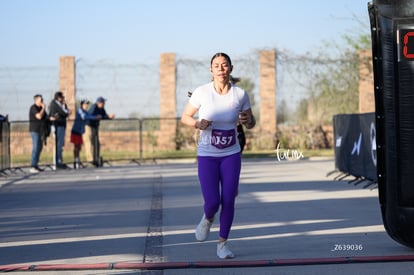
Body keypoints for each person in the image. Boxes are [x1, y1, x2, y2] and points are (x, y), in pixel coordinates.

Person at [181, 53, 256, 259]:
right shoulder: (202, 92)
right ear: (211, 70)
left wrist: (247, 120)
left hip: (231, 154)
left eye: (224, 65)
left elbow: (251, 122)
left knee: (229, 199)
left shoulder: (240, 95)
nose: (221, 69)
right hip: (207, 155)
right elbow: (185, 117)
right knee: (213, 201)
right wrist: (198, 123)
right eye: (216, 66)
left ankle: (222, 244)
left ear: (230, 68)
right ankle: (207, 218)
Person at [83, 97, 115, 167]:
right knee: (89, 143)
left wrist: (109, 117)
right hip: (87, 126)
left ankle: (96, 159)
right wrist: (95, 117)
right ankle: (90, 161)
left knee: (96, 143)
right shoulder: (94, 107)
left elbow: (103, 115)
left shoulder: (101, 109)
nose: (104, 104)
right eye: (103, 103)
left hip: (95, 126)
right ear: (99, 103)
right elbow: (88, 116)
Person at [70, 99, 101, 169]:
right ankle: (76, 160)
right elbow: (84, 116)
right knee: (76, 147)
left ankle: (78, 160)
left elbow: (90, 116)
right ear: (82, 105)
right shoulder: (80, 111)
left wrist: (97, 117)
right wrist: (95, 117)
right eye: (85, 104)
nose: (86, 105)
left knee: (79, 147)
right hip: (76, 131)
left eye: (87, 104)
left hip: (81, 131)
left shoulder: (86, 112)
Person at [29, 94, 54, 173]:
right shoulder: (33, 108)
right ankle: (32, 166)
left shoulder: (41, 108)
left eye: (42, 100)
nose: (42, 102)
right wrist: (43, 108)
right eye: (41, 100)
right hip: (35, 130)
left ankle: (36, 165)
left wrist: (51, 118)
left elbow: (45, 117)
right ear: (36, 100)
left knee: (39, 148)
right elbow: (39, 116)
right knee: (36, 147)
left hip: (41, 131)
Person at [49, 91, 69, 169]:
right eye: (62, 97)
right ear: (59, 98)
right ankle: (58, 162)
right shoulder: (55, 104)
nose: (63, 99)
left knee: (60, 144)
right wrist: (64, 107)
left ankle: (59, 160)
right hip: (58, 125)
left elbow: (65, 112)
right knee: (58, 144)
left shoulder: (60, 104)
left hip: (62, 125)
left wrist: (64, 106)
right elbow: (64, 113)